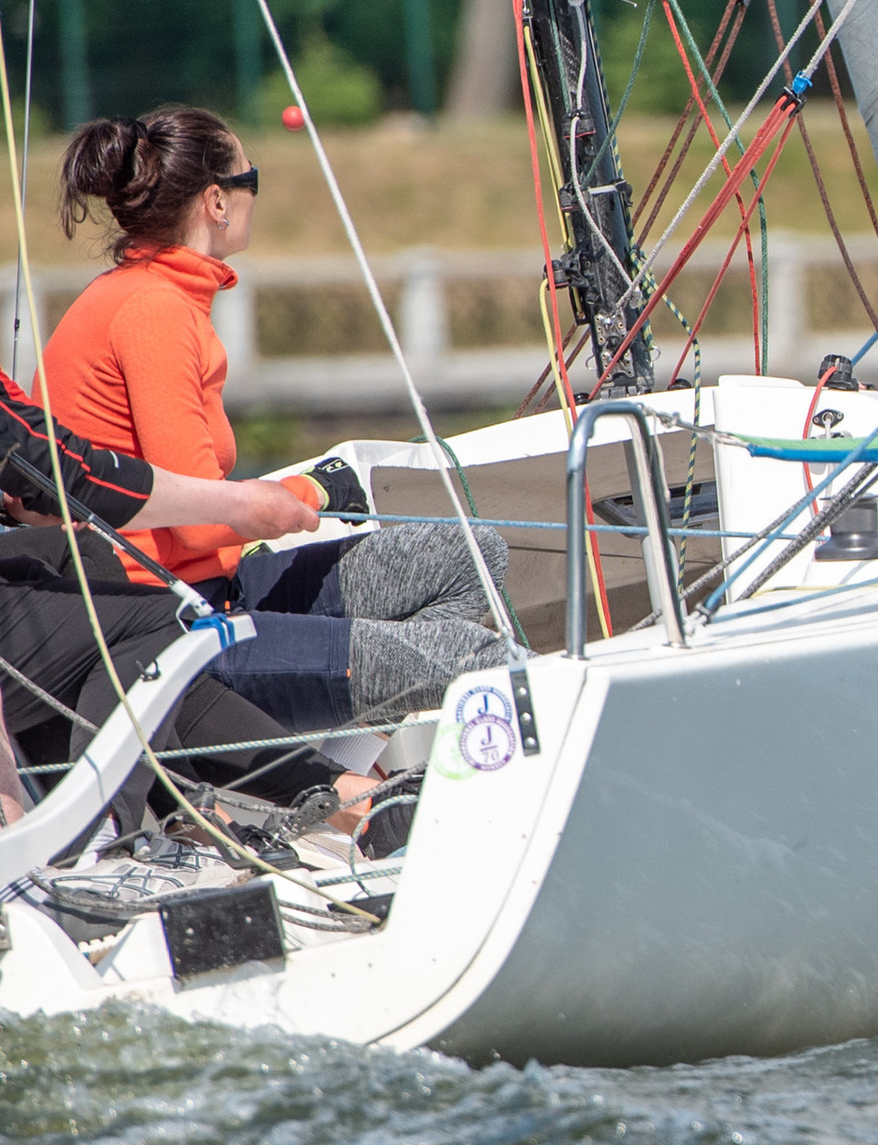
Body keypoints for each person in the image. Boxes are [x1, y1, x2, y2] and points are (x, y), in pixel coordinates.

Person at [44, 107, 512, 732]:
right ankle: (337, 746)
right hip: (176, 628)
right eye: (250, 179)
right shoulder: (151, 310)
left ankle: (337, 747)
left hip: (223, 589)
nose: (253, 196)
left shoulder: (152, 295)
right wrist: (307, 490)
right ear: (216, 201)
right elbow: (203, 526)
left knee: (472, 555)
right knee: (479, 661)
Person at [0, 373, 374, 840]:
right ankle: (98, 835)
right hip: (203, 601)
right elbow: (74, 473)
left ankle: (191, 813)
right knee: (158, 616)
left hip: (214, 582)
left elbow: (33, 458)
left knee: (82, 558)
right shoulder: (152, 309)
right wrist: (293, 494)